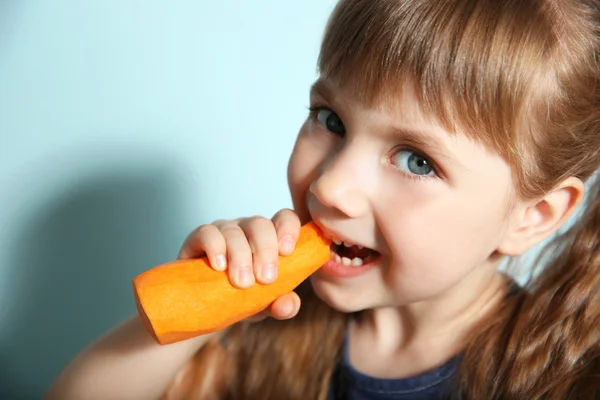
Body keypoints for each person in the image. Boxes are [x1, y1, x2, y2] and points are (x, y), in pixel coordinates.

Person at [45, 0, 600, 398]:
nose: (329, 187)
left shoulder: (564, 380)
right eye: (330, 119)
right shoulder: (270, 328)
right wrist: (206, 313)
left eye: (416, 160)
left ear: (533, 216)